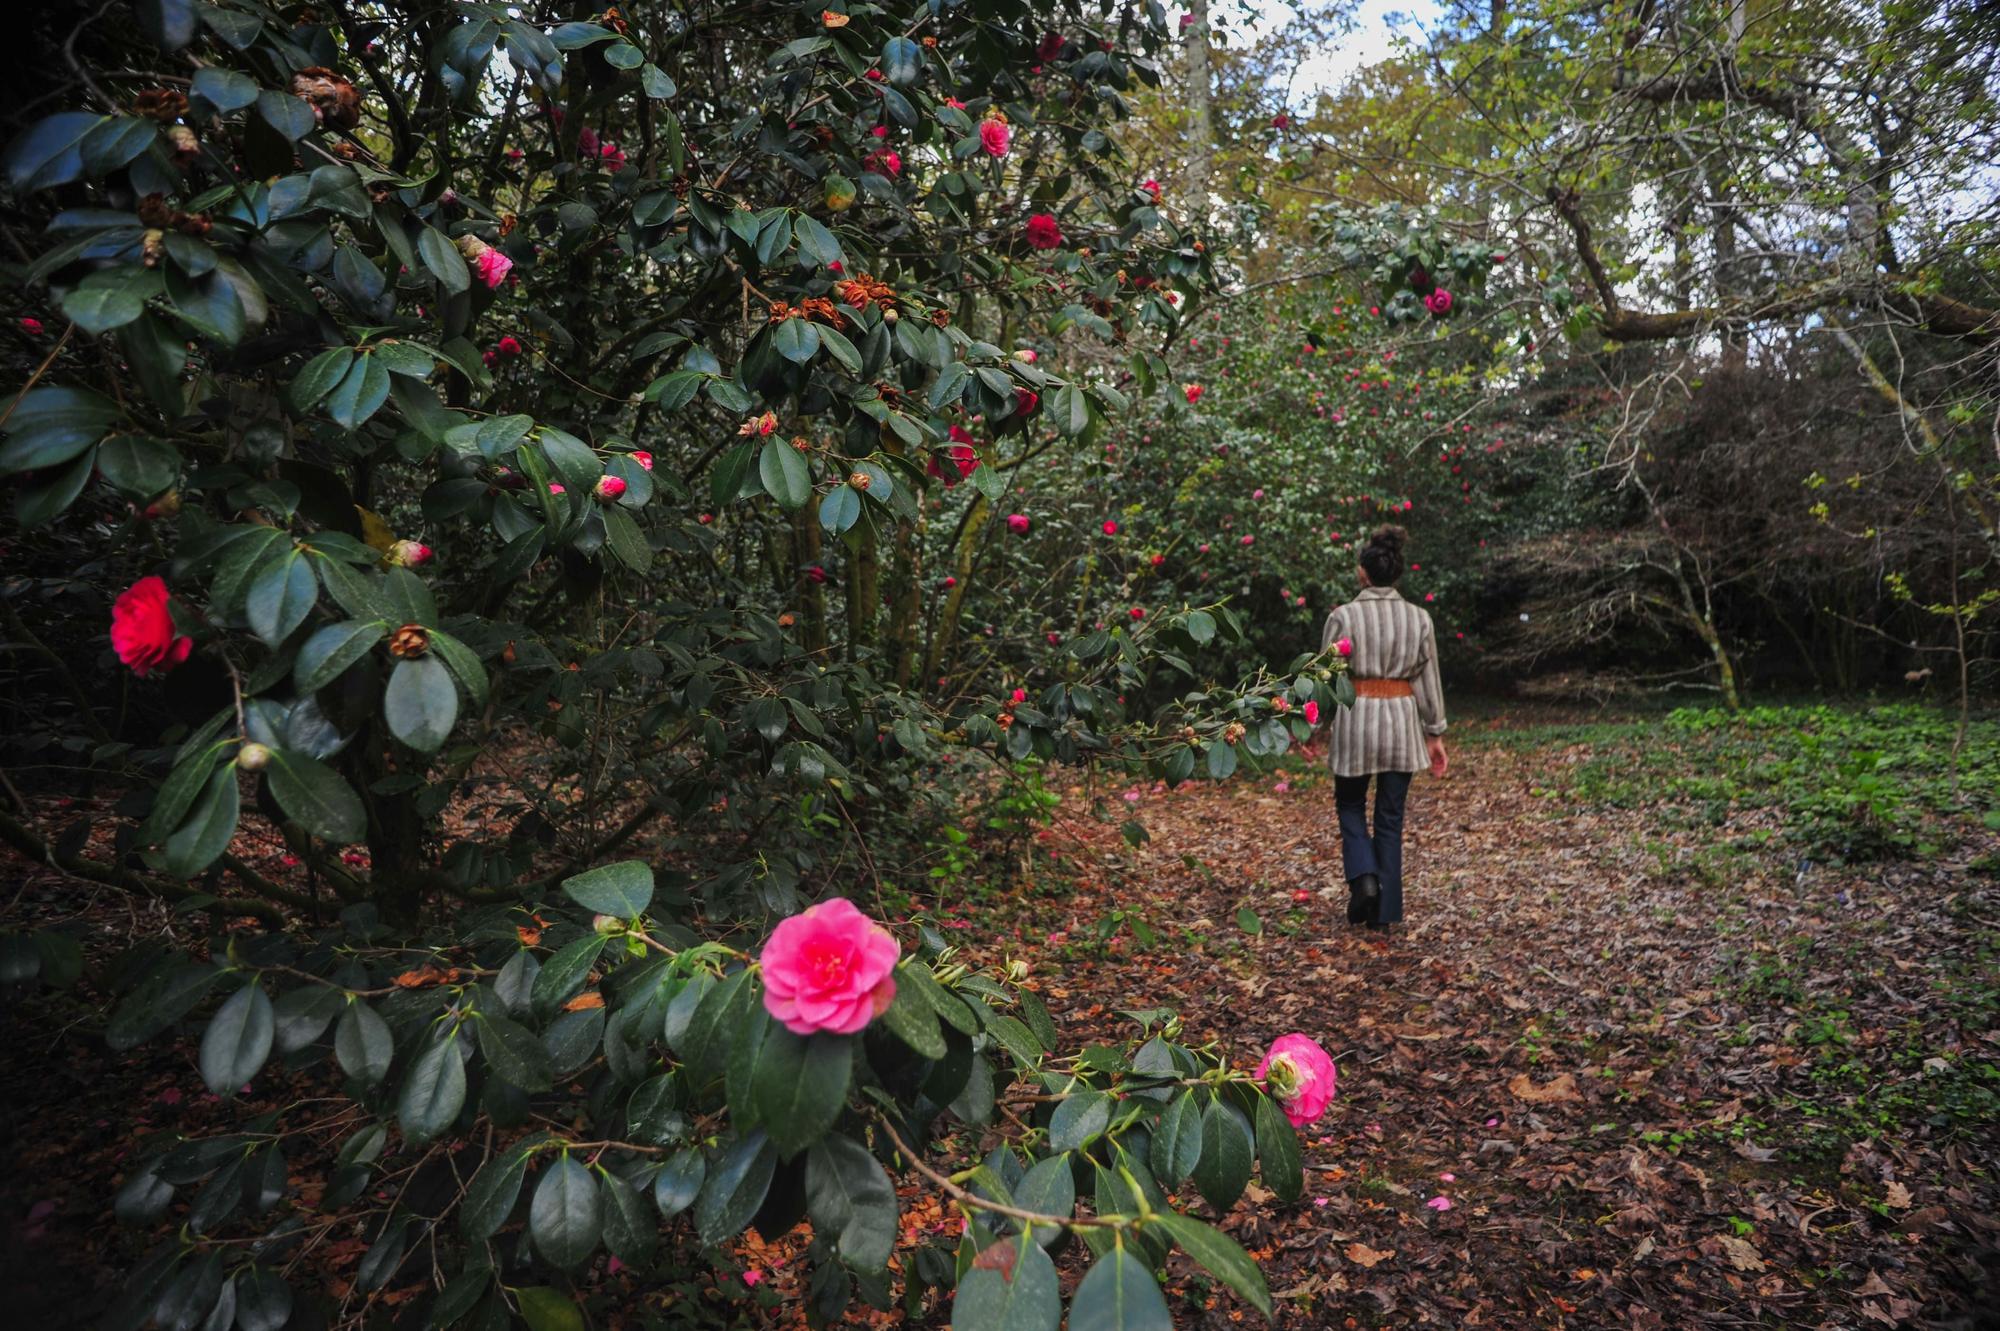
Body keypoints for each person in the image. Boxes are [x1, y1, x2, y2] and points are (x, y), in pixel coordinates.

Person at [1319, 525, 1448, 929]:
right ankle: (1385, 911)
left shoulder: (1343, 617)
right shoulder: (1419, 619)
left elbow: (1324, 675)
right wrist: (1435, 732)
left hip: (1355, 722)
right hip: (1401, 724)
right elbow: (1428, 679)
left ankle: (1364, 879)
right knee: (1390, 817)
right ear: (1397, 573)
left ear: (1362, 572)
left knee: (1350, 805)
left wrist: (1313, 725)